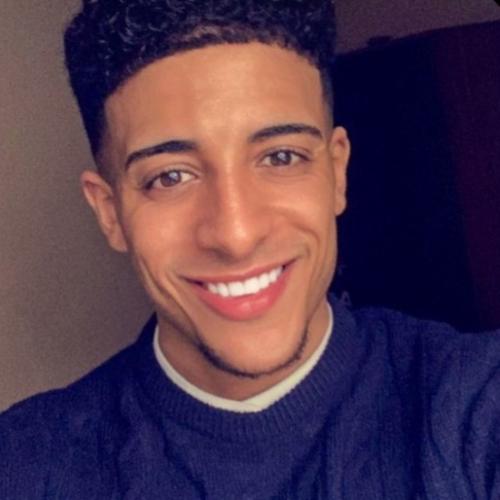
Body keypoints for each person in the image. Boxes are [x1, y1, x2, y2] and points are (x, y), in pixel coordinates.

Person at [1, 0, 499, 498]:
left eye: (281, 157)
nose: (236, 236)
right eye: (170, 177)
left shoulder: (475, 404)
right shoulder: (24, 465)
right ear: (110, 212)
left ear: (336, 173)